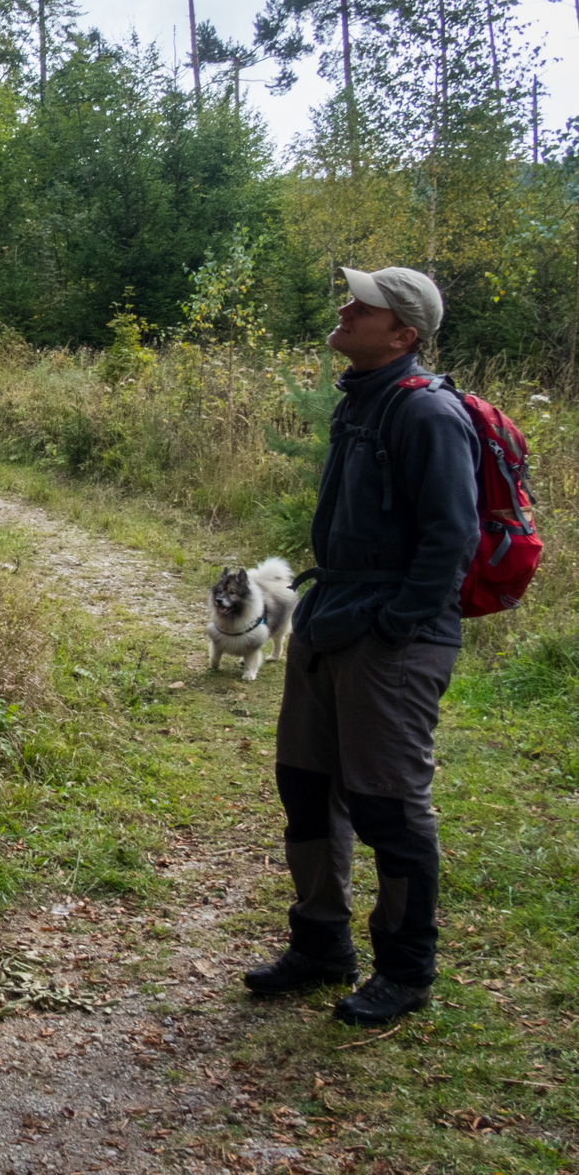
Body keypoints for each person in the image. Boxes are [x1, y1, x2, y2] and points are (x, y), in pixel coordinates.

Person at [243, 266, 480, 1026]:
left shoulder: (427, 415)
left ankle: (405, 971)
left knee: (388, 805)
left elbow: (454, 539)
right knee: (307, 787)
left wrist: (393, 625)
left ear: (403, 332)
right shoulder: (363, 401)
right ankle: (320, 945)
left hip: (389, 639)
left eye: (363, 304)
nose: (345, 309)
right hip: (331, 619)